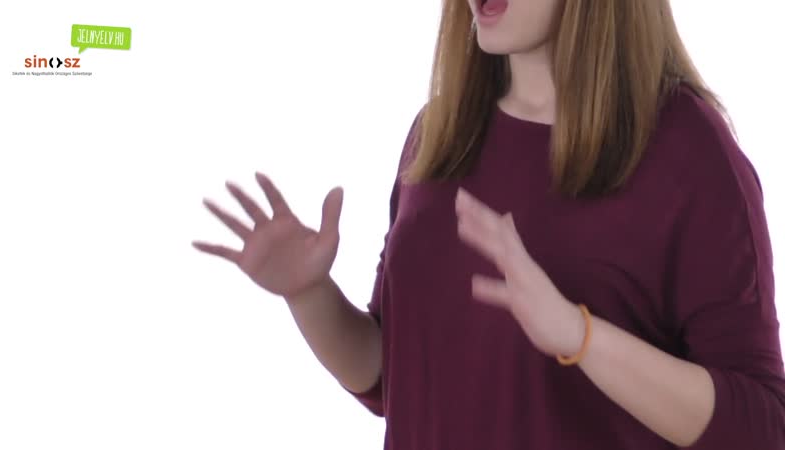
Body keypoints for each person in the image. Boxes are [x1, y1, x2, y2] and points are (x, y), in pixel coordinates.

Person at [193, 0, 785, 448]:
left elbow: (760, 424)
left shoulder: (687, 150)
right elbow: (391, 376)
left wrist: (580, 337)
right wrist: (309, 295)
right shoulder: (440, 136)